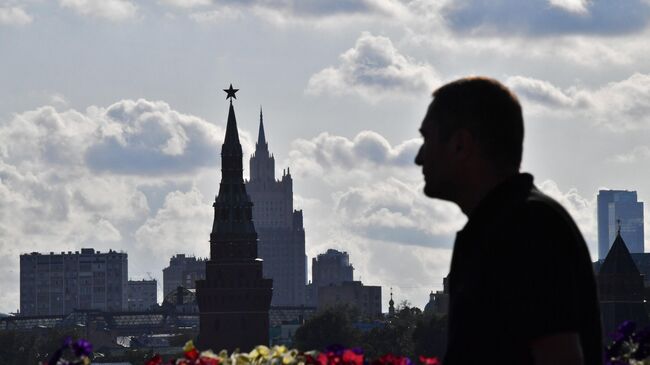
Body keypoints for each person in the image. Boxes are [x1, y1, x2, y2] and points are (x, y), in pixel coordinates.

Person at [414, 77, 602, 365]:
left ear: (461, 145)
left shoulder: (527, 228)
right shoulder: (507, 224)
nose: (418, 157)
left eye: (427, 138)